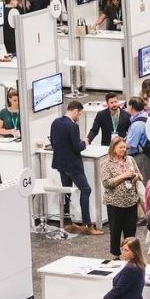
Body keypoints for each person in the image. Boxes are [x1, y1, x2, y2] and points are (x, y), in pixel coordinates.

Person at [50, 101, 103, 235]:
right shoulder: (73, 126)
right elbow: (77, 147)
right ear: (75, 111)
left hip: (60, 164)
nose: (79, 116)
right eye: (79, 114)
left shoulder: (55, 122)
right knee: (86, 190)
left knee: (67, 191)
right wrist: (84, 142)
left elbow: (52, 141)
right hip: (73, 165)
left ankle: (67, 221)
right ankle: (87, 224)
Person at [102, 136, 143, 258]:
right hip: (115, 203)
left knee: (131, 232)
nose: (123, 150)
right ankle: (115, 256)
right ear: (113, 148)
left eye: (125, 147)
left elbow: (140, 175)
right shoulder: (106, 163)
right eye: (120, 147)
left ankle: (132, 255)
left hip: (131, 202)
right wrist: (123, 176)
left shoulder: (130, 159)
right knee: (115, 231)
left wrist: (134, 176)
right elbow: (106, 184)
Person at [125, 97, 150, 181]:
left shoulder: (137, 125)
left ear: (132, 108)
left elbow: (130, 145)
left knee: (141, 183)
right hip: (147, 155)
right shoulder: (146, 117)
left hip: (139, 158)